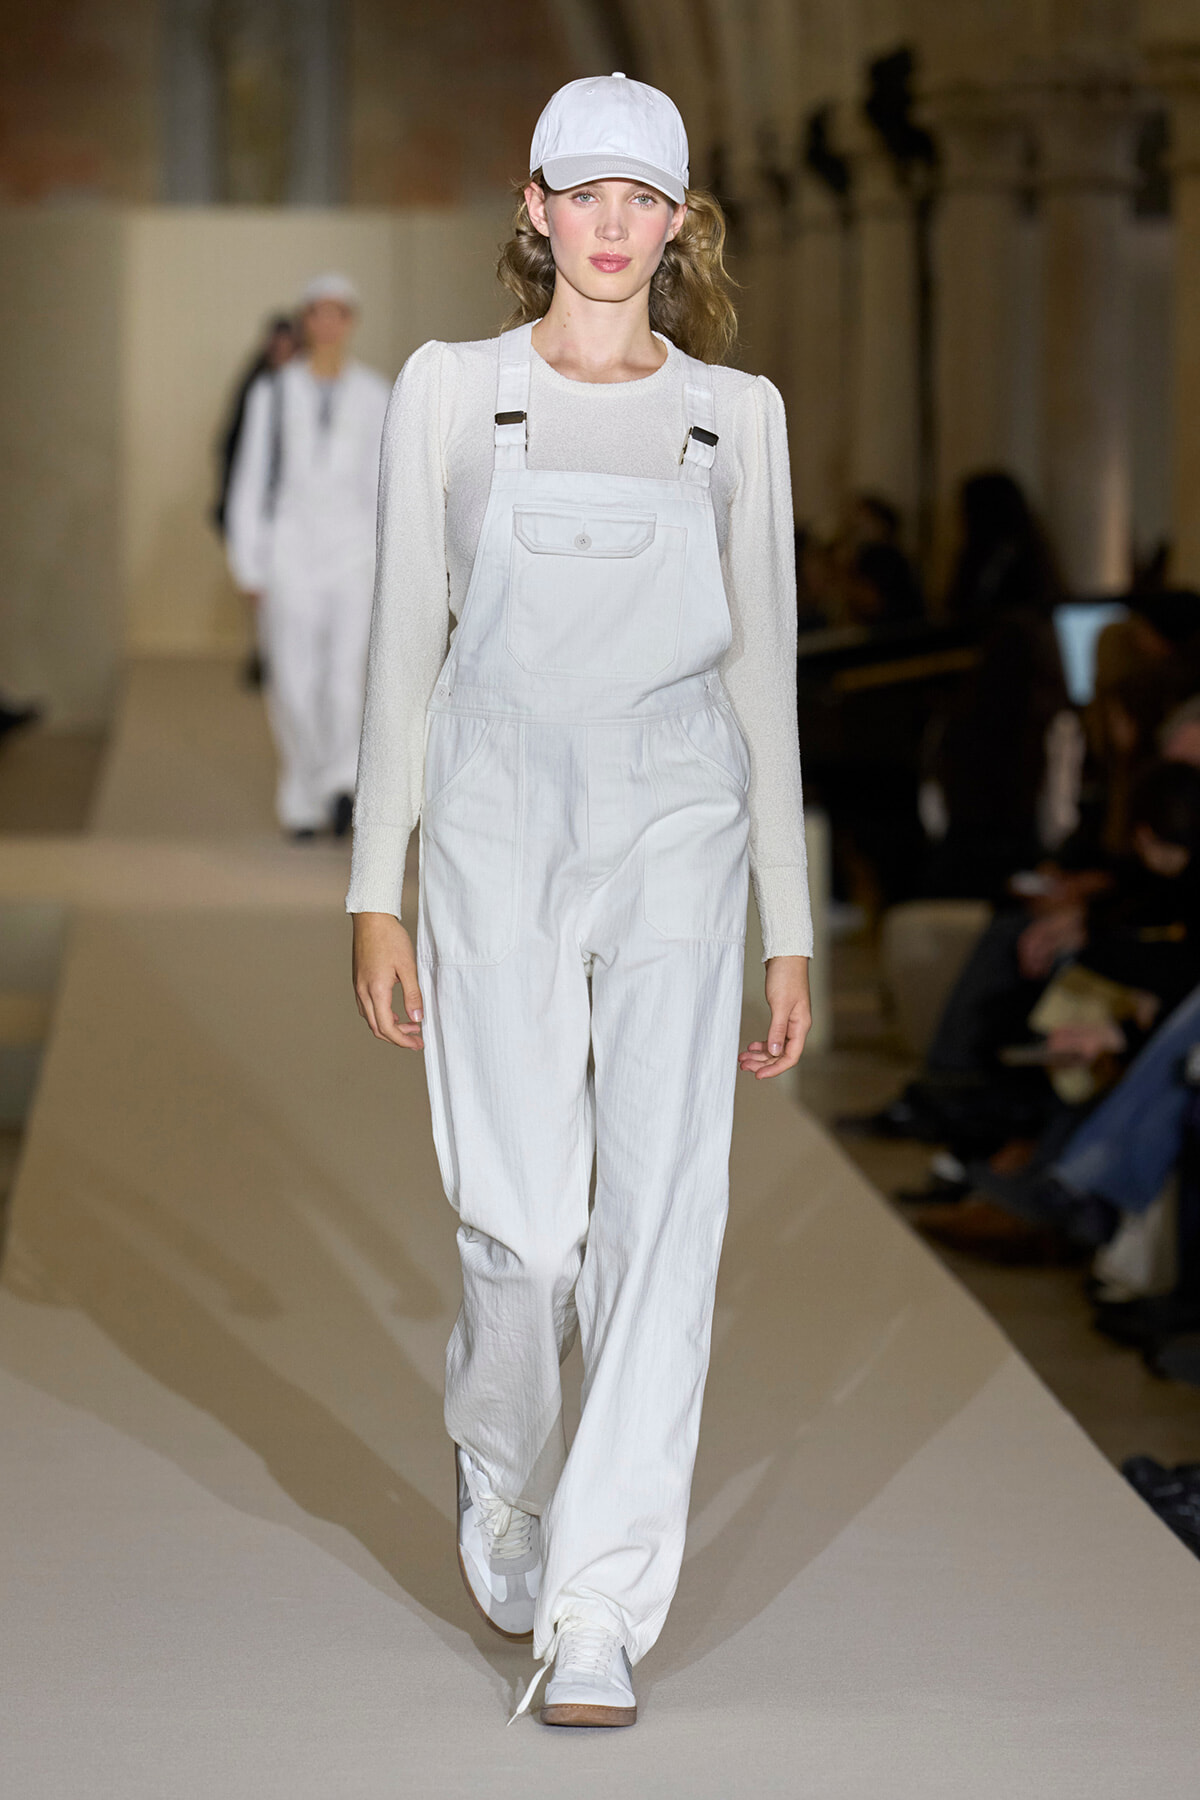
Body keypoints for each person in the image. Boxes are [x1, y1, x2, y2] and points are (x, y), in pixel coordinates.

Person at [346, 73, 812, 1729]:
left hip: (683, 813)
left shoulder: (732, 415)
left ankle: (603, 1600)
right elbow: (405, 632)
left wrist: (790, 923)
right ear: (533, 210)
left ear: (681, 223)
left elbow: (766, 674)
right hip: (492, 818)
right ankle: (508, 1466)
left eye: (644, 197)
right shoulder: (452, 393)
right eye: (584, 192)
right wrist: (372, 882)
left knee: (666, 1219)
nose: (613, 224)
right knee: (525, 1236)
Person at [225, 274, 390, 839]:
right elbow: (248, 480)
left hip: (353, 553)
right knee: (293, 679)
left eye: (338, 313)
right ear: (305, 320)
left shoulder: (376, 393)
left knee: (345, 676)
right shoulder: (271, 393)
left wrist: (388, 558)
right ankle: (302, 791)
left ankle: (342, 786)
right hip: (289, 552)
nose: (327, 324)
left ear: (350, 321)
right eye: (317, 313)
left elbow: (384, 483)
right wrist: (248, 562)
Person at [213, 311, 298, 690]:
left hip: (297, 506)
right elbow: (231, 445)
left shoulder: (313, 387)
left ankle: (283, 654)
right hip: (258, 502)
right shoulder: (256, 387)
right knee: (260, 582)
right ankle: (268, 652)